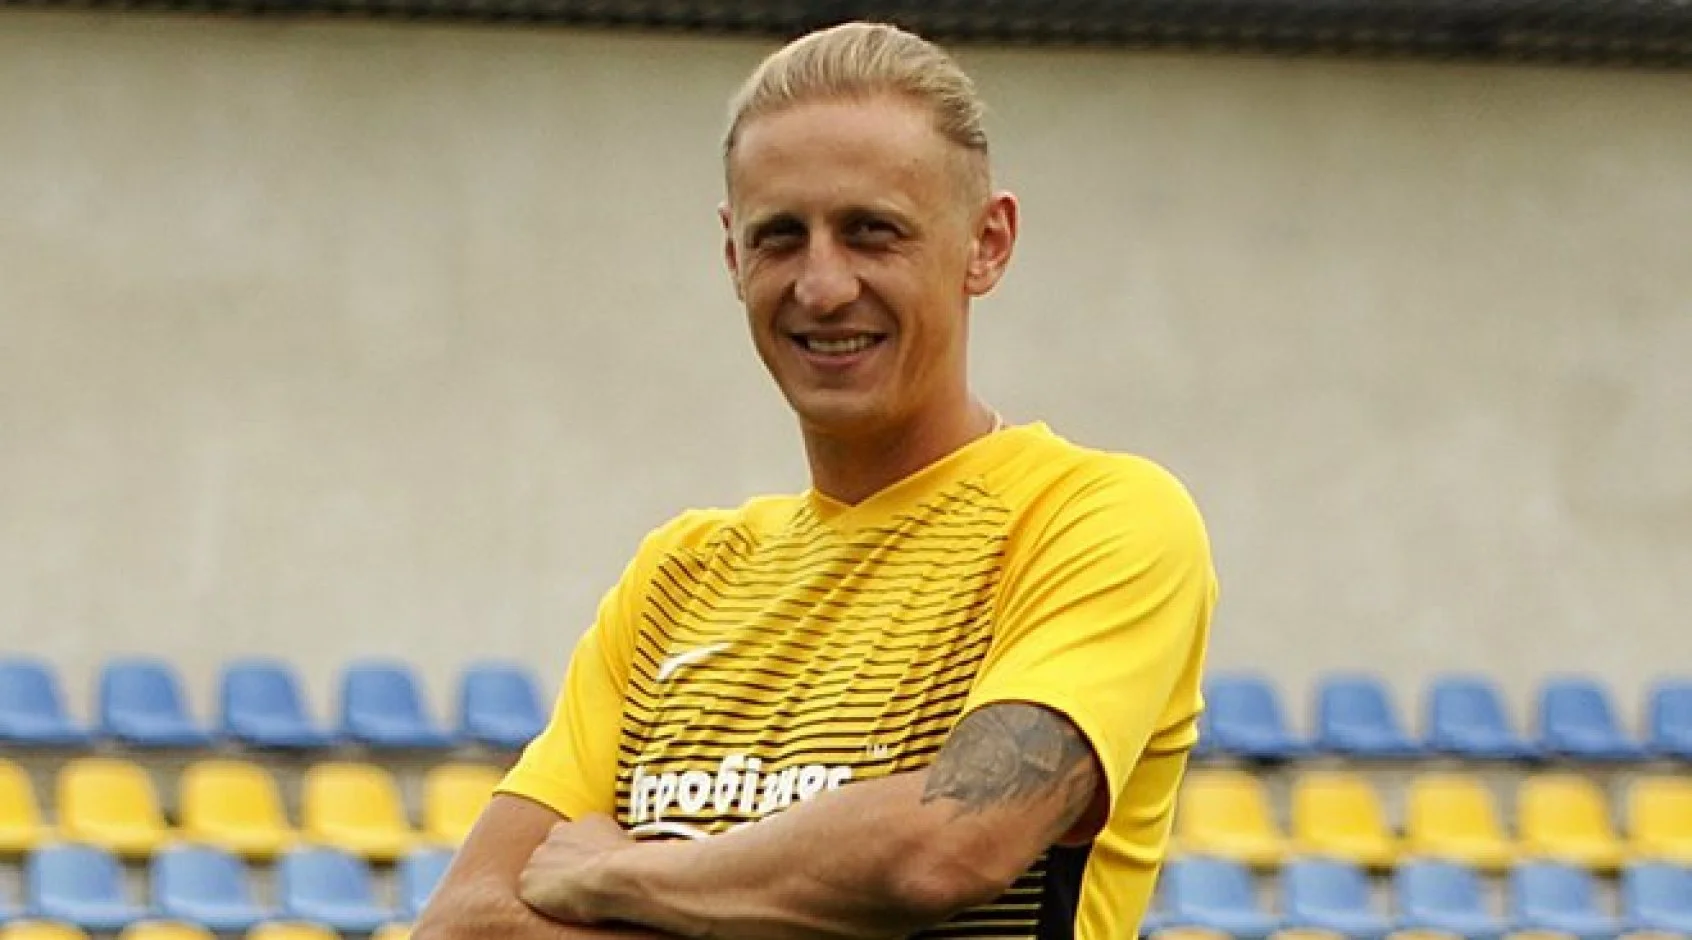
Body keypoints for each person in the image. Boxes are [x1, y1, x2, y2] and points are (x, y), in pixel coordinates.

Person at [414, 20, 1216, 940]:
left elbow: (947, 847)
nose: (823, 286)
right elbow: (462, 923)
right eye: (781, 237)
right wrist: (790, 891)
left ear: (986, 243)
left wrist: (624, 874)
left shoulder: (1092, 520)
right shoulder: (679, 578)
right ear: (733, 256)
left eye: (873, 232)